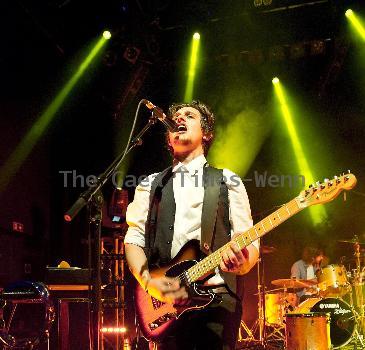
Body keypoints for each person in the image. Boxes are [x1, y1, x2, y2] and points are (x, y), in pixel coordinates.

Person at [124, 100, 259, 350]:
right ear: (168, 139)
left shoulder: (228, 181)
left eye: (189, 115)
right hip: (168, 303)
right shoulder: (150, 184)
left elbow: (248, 240)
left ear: (206, 133)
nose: (180, 118)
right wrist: (148, 282)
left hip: (217, 300)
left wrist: (243, 260)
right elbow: (134, 239)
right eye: (176, 116)